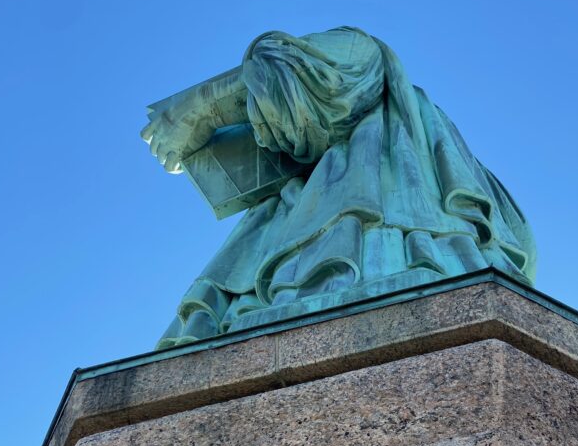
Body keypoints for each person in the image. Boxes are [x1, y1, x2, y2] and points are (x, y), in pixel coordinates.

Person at [142, 27, 537, 348]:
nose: (261, 136)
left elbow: (288, 68)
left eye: (259, 117)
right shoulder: (293, 198)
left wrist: (200, 106)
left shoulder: (361, 52)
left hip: (398, 251)